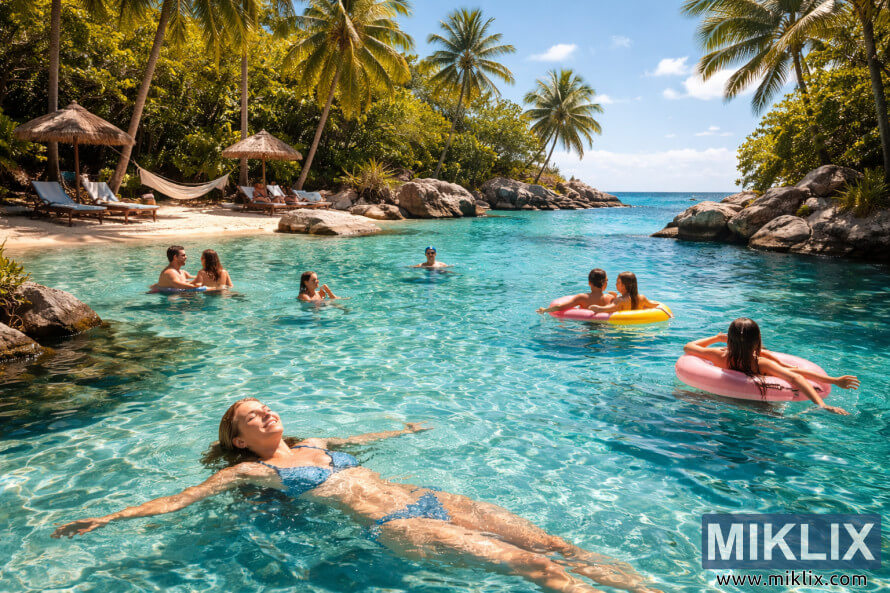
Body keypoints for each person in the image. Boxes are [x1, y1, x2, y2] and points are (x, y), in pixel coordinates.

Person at [52, 398, 662, 593]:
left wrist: (404, 431)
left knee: (557, 543)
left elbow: (364, 436)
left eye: (265, 407)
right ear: (236, 441)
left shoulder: (315, 439)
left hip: (433, 497)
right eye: (249, 417)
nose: (264, 414)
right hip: (397, 524)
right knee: (534, 566)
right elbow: (179, 499)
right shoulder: (249, 474)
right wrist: (110, 515)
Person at [683, 318, 858, 415]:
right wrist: (826, 396)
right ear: (757, 339)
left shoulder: (719, 355)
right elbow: (795, 376)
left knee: (685, 394)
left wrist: (716, 338)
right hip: (759, 406)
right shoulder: (761, 363)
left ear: (730, 339)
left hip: (723, 399)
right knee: (774, 414)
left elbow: (689, 347)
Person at [587, 272, 670, 315]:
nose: (616, 284)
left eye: (618, 282)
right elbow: (655, 305)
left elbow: (606, 309)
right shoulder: (642, 298)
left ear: (624, 286)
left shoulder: (621, 300)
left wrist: (596, 308)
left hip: (621, 330)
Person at [536, 269, 616, 314]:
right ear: (605, 283)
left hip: (586, 326)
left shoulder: (582, 297)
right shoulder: (610, 298)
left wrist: (545, 310)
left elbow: (560, 307)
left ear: (589, 283)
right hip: (605, 326)